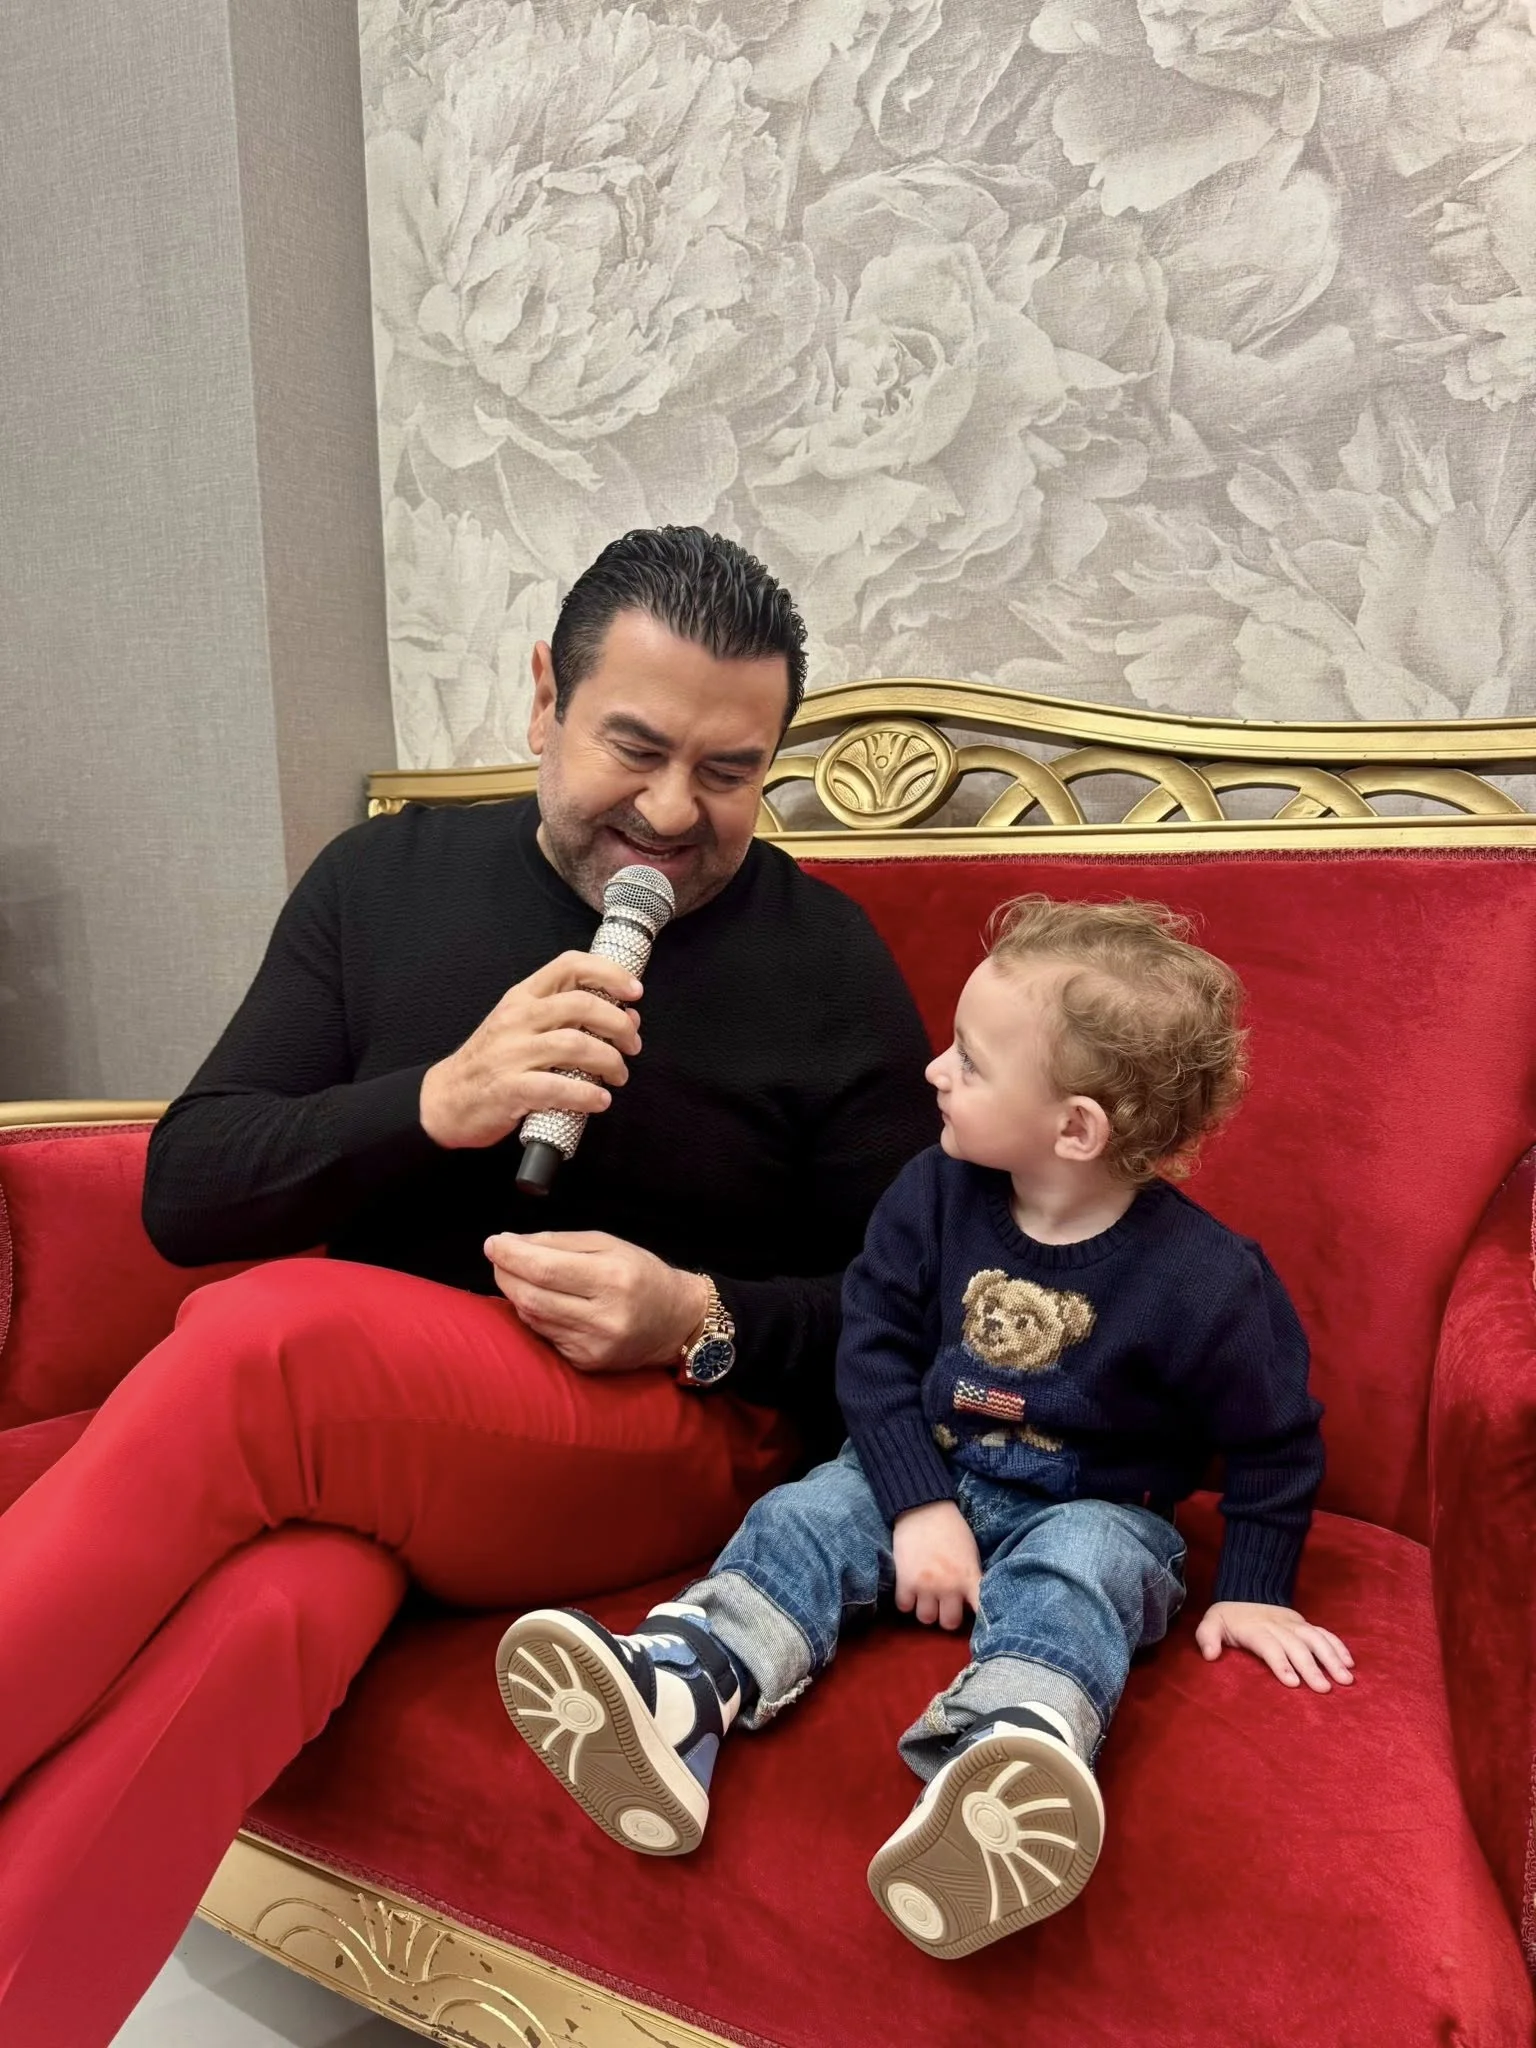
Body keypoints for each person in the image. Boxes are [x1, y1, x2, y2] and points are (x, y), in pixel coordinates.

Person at [0, 527, 934, 2044]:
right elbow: (189, 1185)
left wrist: (696, 1315)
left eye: (729, 772)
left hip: (658, 1437)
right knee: (274, 1614)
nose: (672, 813)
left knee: (270, 1341)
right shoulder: (384, 878)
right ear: (544, 699)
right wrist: (435, 1100)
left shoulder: (825, 961)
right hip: (370, 1454)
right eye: (635, 747)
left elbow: (920, 1315)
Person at [496, 896, 1356, 1960]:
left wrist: (1257, 1589)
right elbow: (873, 1351)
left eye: (972, 1062)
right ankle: (683, 1686)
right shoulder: (934, 1189)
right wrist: (916, 1505)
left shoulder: (1211, 1282)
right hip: (926, 1461)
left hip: (1096, 1504)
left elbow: (1275, 1441)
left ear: (1076, 1128)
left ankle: (1002, 1768)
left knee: (1085, 1566)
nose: (934, 1070)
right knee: (809, 1512)